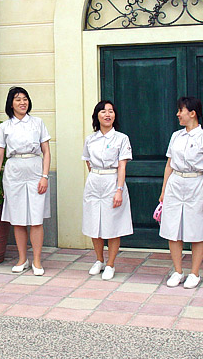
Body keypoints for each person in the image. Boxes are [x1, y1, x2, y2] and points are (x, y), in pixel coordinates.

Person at [0, 87, 51, 276]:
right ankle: (22, 259)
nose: (22, 103)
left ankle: (37, 261)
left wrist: (44, 176)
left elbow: (46, 152)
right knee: (18, 219)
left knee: (36, 218)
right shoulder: (5, 127)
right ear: (11, 104)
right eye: (18, 99)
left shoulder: (38, 123)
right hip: (14, 171)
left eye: (25, 99)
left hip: (35, 169)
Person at [159, 96, 203, 289]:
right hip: (175, 184)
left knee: (196, 230)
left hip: (196, 185)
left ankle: (194, 273)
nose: (178, 114)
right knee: (172, 229)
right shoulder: (176, 136)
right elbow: (169, 165)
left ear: (192, 113)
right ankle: (177, 271)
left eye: (181, 111)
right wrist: (163, 190)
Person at [81, 100, 133, 281]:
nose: (107, 114)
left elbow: (122, 166)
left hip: (113, 181)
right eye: (103, 111)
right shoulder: (90, 139)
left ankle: (111, 263)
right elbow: (87, 161)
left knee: (113, 224)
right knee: (94, 222)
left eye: (111, 111)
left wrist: (118, 189)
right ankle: (99, 260)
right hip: (94, 181)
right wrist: (96, 177)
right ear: (97, 116)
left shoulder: (121, 138)